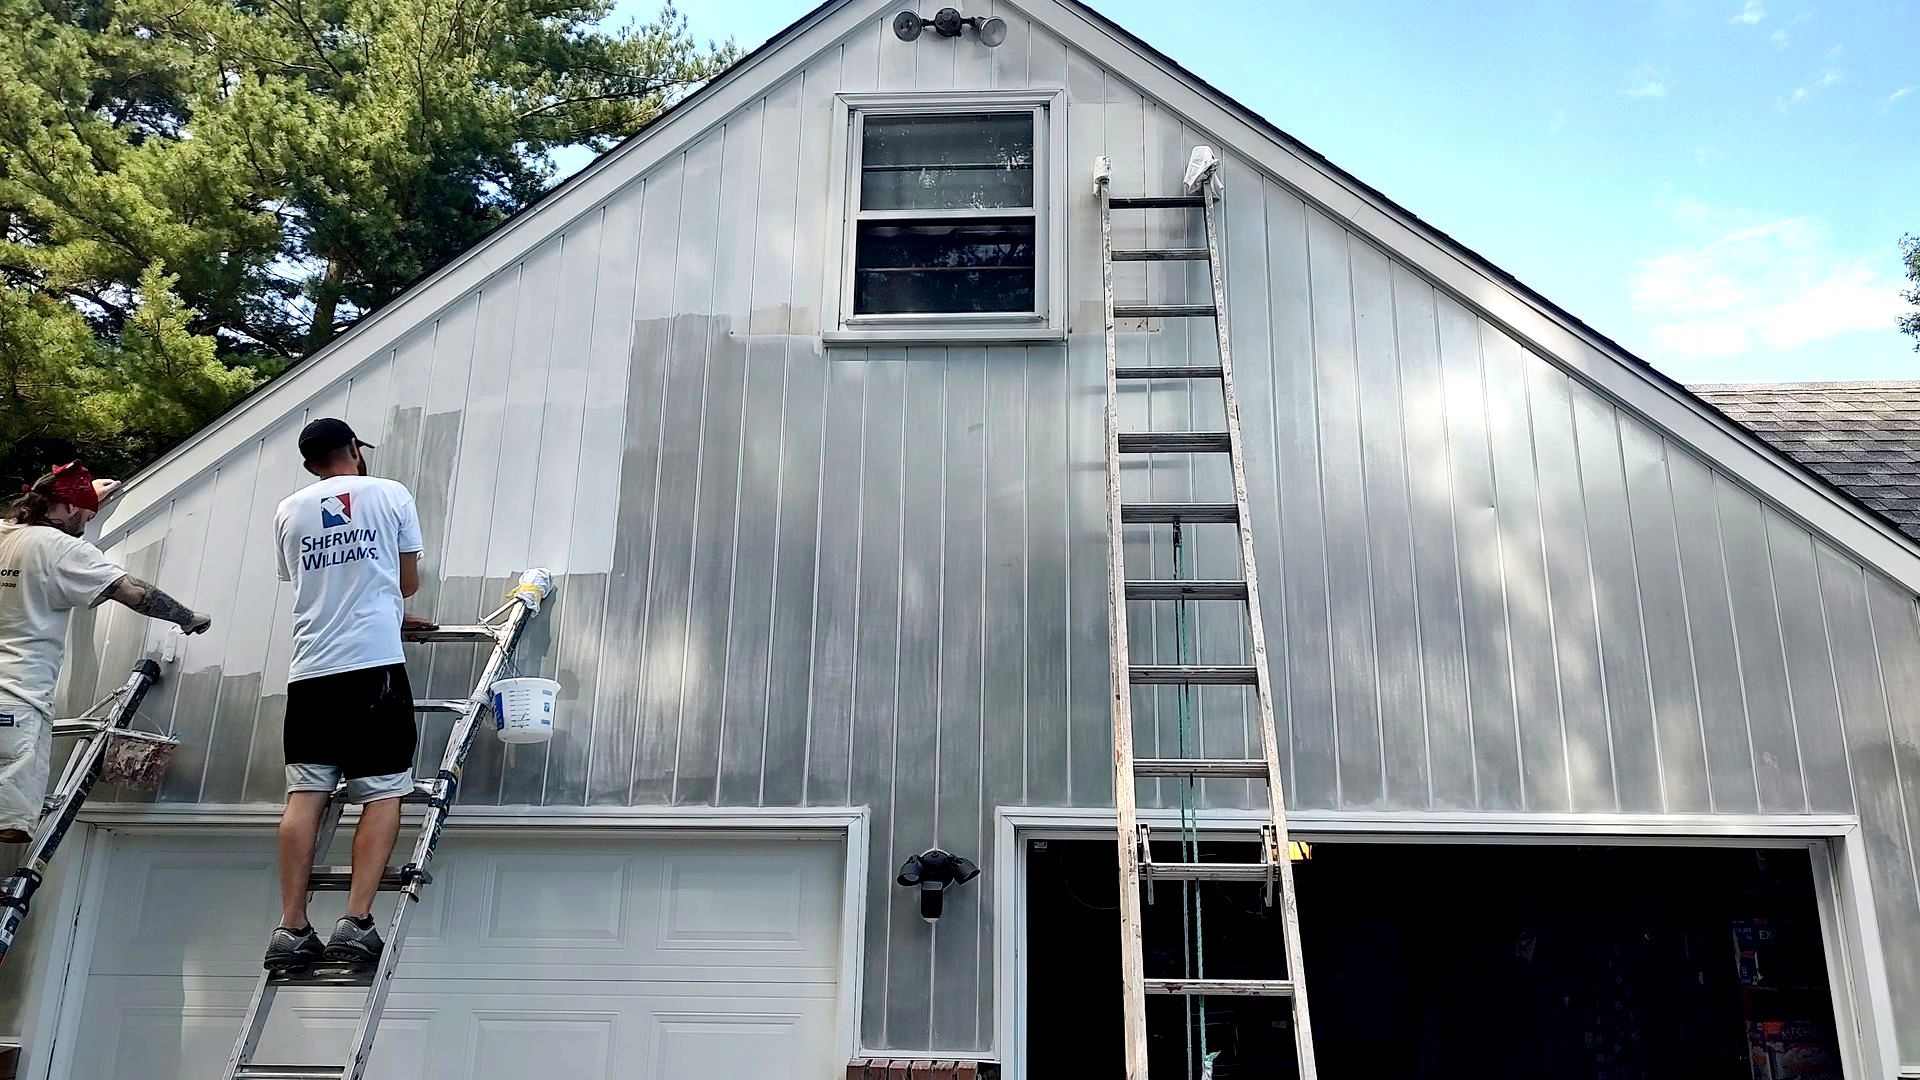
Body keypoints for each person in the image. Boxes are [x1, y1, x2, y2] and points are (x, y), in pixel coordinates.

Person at [265, 419, 434, 970]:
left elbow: (317, 585)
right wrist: (388, 611)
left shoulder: (289, 510)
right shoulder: (390, 494)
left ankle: (291, 927)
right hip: (373, 669)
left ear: (311, 464)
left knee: (305, 796)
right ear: (356, 452)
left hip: (310, 671)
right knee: (383, 791)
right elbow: (405, 582)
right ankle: (356, 922)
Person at [0, 462, 211, 842]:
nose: (86, 522)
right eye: (84, 514)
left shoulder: (5, 534)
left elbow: (32, 535)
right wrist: (187, 617)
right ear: (64, 507)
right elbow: (133, 592)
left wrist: (76, 500)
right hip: (17, 701)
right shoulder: (61, 548)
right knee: (10, 824)